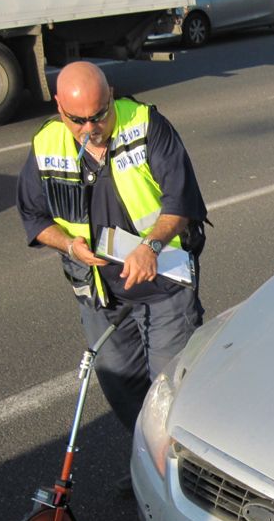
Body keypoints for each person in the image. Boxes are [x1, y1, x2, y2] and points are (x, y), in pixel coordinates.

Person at [17, 61, 207, 493]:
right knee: (120, 382)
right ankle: (152, 464)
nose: (91, 128)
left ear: (112, 96)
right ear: (59, 108)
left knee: (168, 386)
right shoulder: (47, 144)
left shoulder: (146, 126)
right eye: (78, 119)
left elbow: (182, 201)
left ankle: (184, 480)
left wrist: (151, 246)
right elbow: (32, 215)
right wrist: (68, 245)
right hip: (101, 291)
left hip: (164, 283)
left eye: (100, 114)